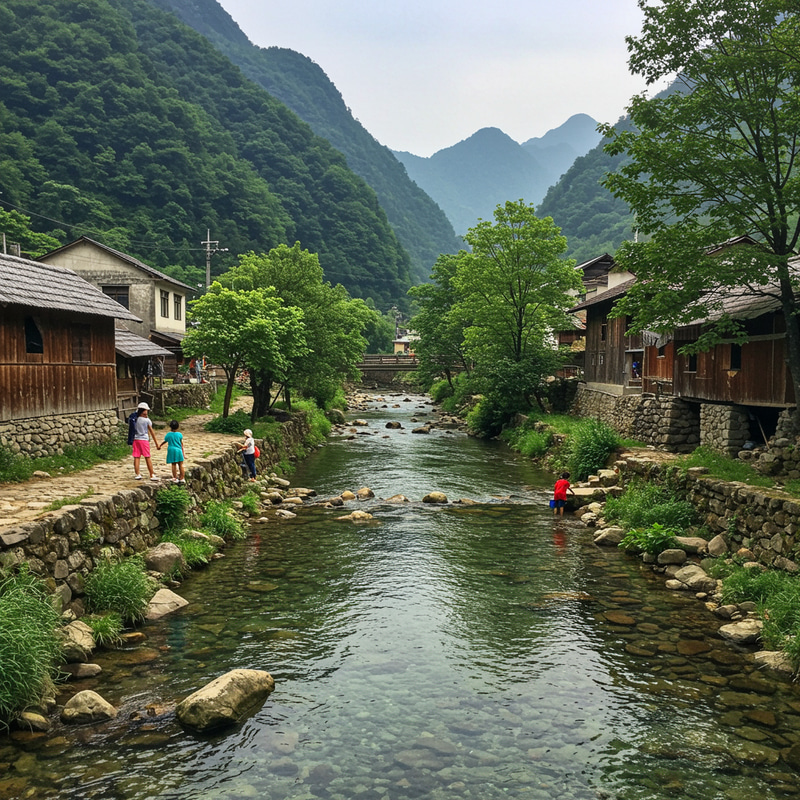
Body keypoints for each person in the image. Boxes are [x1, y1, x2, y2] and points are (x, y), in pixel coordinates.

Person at [131, 402, 161, 481]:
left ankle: (138, 474)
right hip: (144, 440)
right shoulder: (146, 420)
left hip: (136, 439)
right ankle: (151, 474)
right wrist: (157, 443)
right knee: (147, 457)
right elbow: (151, 432)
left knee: (136, 457)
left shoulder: (135, 419)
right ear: (143, 411)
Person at [163, 419, 186, 485]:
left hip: (171, 450)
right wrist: (183, 453)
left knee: (173, 464)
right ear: (178, 427)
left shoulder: (168, 434)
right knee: (180, 464)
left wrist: (160, 445)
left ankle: (174, 477)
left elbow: (165, 441)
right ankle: (182, 478)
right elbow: (181, 443)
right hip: (178, 450)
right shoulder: (179, 434)